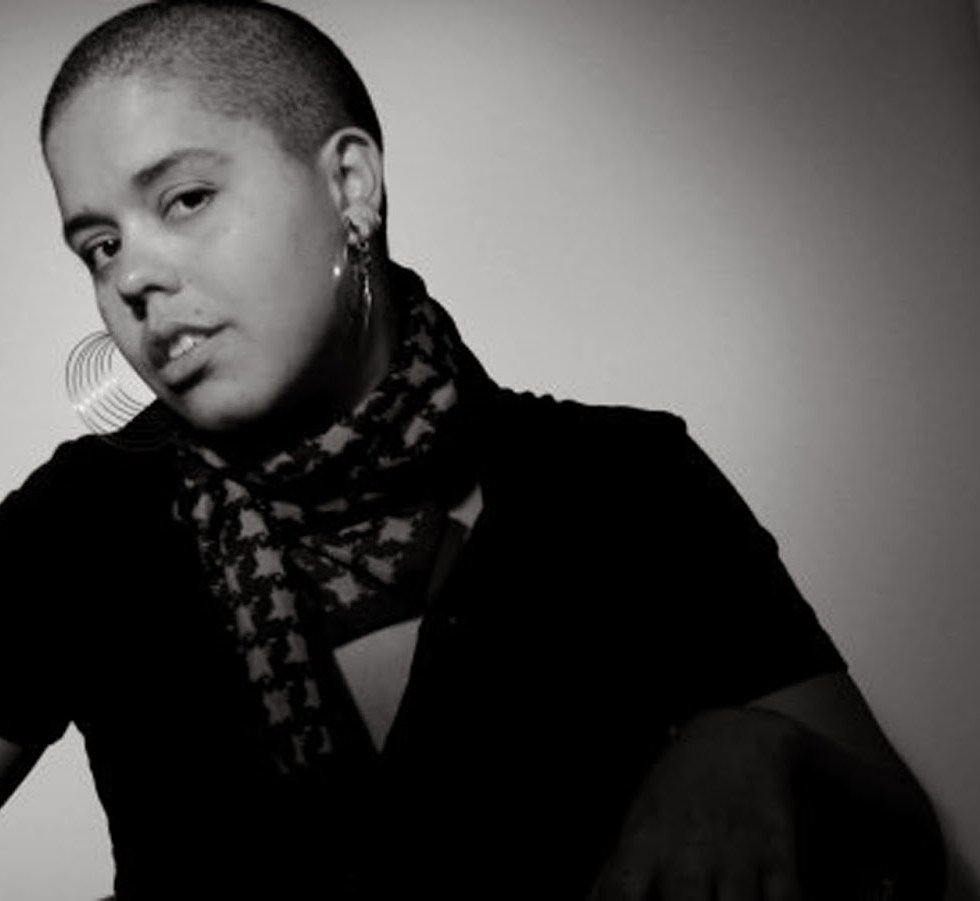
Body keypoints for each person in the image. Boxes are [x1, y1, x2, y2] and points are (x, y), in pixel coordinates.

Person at [0, 1, 946, 898]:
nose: (133, 274)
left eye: (186, 198)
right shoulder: (85, 520)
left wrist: (758, 747)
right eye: (98, 245)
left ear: (350, 184)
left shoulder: (622, 479)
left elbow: (913, 854)